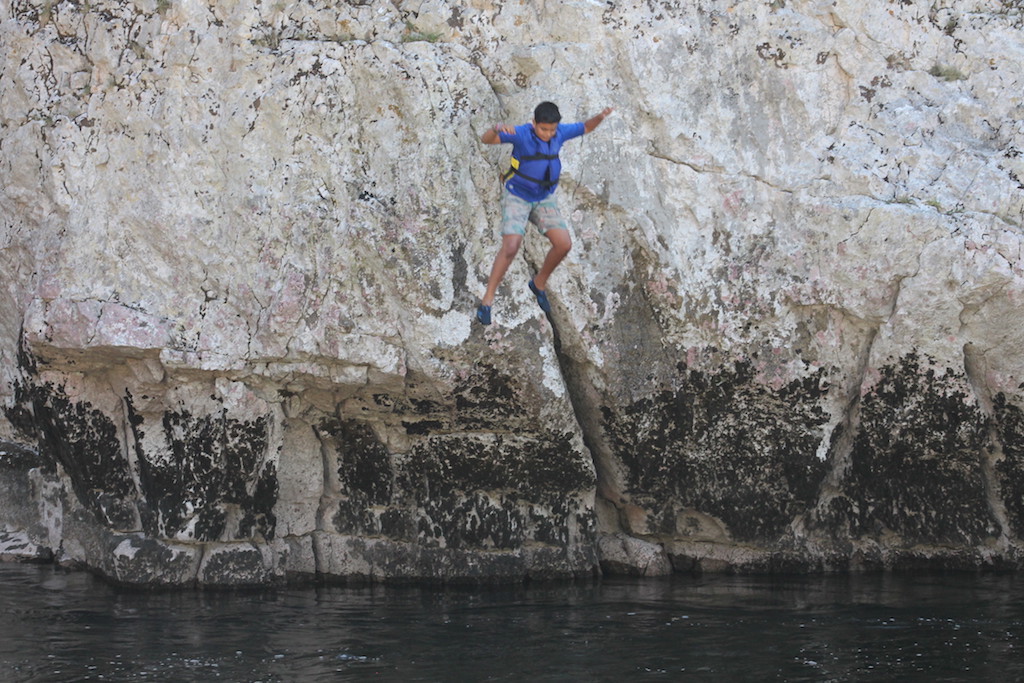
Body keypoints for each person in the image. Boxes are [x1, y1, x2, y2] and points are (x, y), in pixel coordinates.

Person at [476, 101, 614, 325]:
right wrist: (497, 129)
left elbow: (586, 127)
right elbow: (486, 140)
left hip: (543, 197)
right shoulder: (522, 134)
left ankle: (538, 283)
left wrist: (601, 116)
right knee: (511, 246)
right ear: (534, 124)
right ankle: (487, 300)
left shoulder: (559, 132)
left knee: (564, 244)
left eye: (552, 129)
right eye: (543, 129)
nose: (549, 134)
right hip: (518, 195)